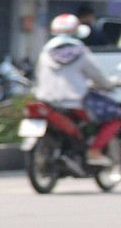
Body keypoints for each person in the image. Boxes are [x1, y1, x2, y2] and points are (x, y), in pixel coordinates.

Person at [36, 13, 121, 141]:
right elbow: (98, 78)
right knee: (116, 116)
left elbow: (37, 76)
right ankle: (95, 151)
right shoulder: (81, 53)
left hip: (46, 101)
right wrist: (109, 84)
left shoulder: (45, 53)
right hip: (75, 104)